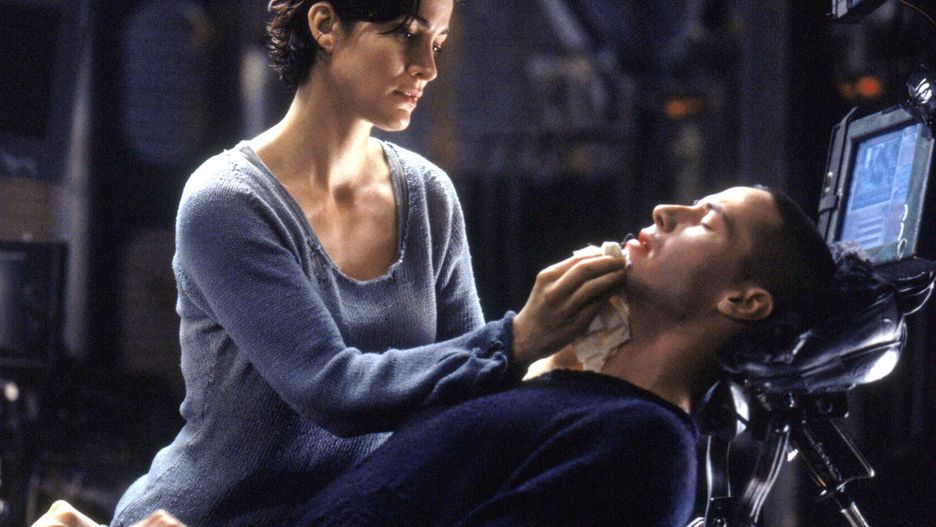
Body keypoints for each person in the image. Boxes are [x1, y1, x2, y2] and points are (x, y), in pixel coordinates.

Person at [102, 0, 627, 526]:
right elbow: (331, 388)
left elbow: (470, 399)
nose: (428, 66)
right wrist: (517, 339)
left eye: (437, 43)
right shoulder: (227, 202)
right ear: (325, 25)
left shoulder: (429, 198)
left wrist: (567, 356)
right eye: (405, 34)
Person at [292, 185, 838, 526]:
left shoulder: (647, 448)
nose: (667, 211)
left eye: (706, 222)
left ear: (743, 302)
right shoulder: (573, 391)